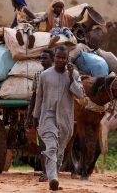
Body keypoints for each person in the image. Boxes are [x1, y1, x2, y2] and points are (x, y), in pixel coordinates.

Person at [33, 45, 84, 191]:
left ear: (67, 59)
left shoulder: (73, 74)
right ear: (54, 58)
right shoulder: (45, 75)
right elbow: (39, 97)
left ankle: (54, 174)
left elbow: (80, 94)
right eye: (58, 57)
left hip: (65, 118)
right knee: (51, 146)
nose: (60, 60)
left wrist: (71, 78)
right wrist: (36, 115)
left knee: (59, 150)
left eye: (63, 58)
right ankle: (53, 179)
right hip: (47, 115)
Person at [25, 49, 54, 182]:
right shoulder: (38, 75)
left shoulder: (60, 74)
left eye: (45, 58)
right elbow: (34, 97)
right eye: (41, 58)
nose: (42, 60)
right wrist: (29, 116)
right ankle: (46, 172)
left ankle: (53, 171)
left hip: (57, 113)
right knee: (42, 144)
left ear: (52, 60)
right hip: (42, 113)